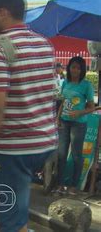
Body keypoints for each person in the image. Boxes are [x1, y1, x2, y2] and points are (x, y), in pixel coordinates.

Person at [0, 0, 58, 232]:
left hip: (14, 149)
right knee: (17, 210)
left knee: (8, 218)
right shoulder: (45, 45)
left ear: (3, 12)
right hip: (45, 143)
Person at [55, 56, 94, 195]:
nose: (75, 70)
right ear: (69, 68)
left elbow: (91, 107)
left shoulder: (86, 85)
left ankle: (73, 186)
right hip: (64, 123)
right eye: (73, 67)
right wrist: (58, 119)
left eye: (78, 68)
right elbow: (62, 102)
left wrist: (79, 112)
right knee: (61, 154)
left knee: (77, 155)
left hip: (79, 124)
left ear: (82, 69)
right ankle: (59, 185)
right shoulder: (65, 83)